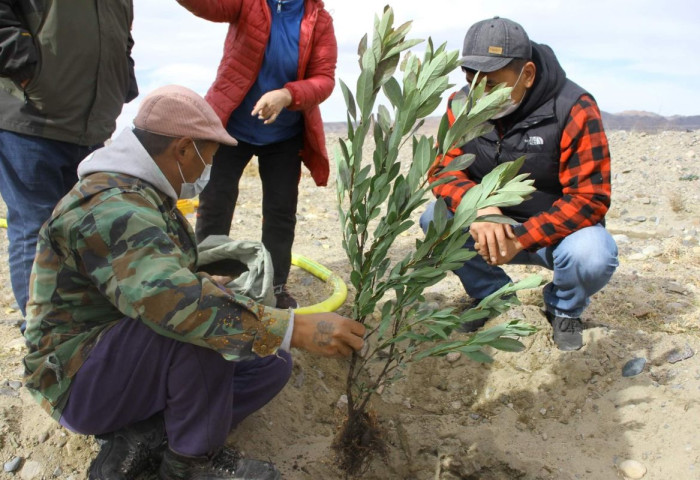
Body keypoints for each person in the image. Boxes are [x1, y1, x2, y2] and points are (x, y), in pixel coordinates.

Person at [23, 85, 365, 480]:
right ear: (183, 149)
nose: (206, 172)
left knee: (269, 364)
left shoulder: (143, 194)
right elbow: (172, 304)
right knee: (202, 325)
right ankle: (188, 464)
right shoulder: (112, 206)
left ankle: (147, 437)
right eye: (208, 159)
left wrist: (211, 286)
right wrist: (291, 326)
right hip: (75, 381)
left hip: (120, 357)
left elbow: (151, 279)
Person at [420, 17, 618, 351]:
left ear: (527, 74)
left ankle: (563, 311)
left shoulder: (573, 108)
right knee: (433, 218)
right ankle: (494, 297)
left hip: (557, 236)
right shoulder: (461, 104)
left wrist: (522, 237)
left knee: (593, 254)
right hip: (488, 229)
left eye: (493, 83)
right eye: (472, 80)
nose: (479, 95)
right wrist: (478, 205)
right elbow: (443, 170)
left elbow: (590, 198)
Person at [176, 0, 337, 309]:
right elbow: (206, 5)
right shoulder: (248, 3)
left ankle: (274, 286)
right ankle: (210, 278)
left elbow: (324, 78)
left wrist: (287, 94)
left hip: (285, 134)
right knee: (215, 203)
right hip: (232, 126)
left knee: (280, 212)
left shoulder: (319, 20)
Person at [0, 1, 138, 326]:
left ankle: (76, 334)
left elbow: (122, 33)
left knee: (82, 229)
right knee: (37, 227)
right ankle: (45, 341)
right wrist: (22, 64)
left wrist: (124, 77)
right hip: (31, 116)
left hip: (91, 122)